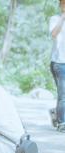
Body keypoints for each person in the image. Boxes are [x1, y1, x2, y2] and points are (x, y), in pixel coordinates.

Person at [49, 0, 65, 132]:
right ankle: (62, 122)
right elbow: (54, 34)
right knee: (63, 95)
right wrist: (63, 17)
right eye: (64, 3)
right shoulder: (55, 19)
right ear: (60, 5)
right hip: (59, 63)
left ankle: (56, 113)